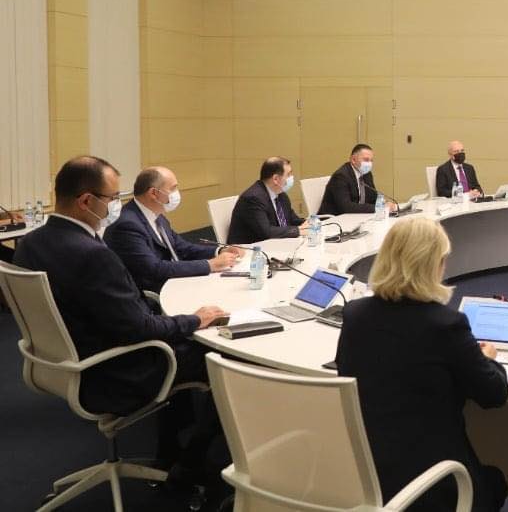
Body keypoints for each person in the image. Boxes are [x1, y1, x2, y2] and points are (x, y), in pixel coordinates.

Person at [13, 156, 228, 486]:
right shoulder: (92, 254)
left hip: (62, 362)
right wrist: (196, 319)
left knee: (183, 341)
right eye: (113, 198)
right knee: (218, 357)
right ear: (86, 201)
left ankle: (169, 446)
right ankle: (192, 463)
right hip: (115, 371)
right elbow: (141, 329)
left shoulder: (31, 242)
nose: (118, 205)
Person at [336, 216, 508, 511]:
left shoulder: (354, 314)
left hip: (366, 475)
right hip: (434, 484)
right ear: (433, 265)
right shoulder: (446, 325)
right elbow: (493, 394)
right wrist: (488, 359)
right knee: (496, 482)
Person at [104, 167, 242, 294]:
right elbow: (154, 269)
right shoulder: (127, 224)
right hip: (151, 294)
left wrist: (219, 251)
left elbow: (182, 247)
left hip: (172, 281)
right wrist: (209, 265)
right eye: (173, 188)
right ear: (153, 193)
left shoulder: (157, 216)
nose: (177, 194)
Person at [227, 156, 305, 245]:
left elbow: (292, 219)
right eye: (288, 174)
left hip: (274, 245)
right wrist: (298, 230)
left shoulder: (281, 195)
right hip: (248, 249)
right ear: (275, 179)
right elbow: (266, 232)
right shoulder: (253, 198)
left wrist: (308, 223)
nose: (292, 178)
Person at [319, 143, 396, 216]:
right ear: (353, 159)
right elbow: (346, 207)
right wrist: (379, 208)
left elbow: (373, 198)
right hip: (333, 220)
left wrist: (385, 204)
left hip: (355, 217)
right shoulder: (341, 176)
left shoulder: (367, 174)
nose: (369, 163)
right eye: (366, 160)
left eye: (371, 160)